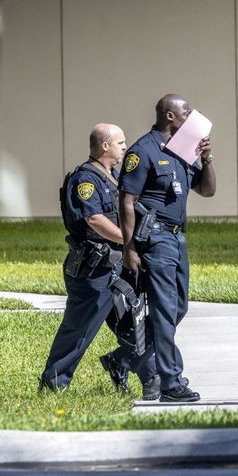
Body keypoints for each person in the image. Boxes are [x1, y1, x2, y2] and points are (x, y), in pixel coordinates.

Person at [40, 124, 157, 397]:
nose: (125, 148)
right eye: (120, 143)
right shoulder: (86, 180)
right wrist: (129, 241)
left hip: (115, 266)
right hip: (93, 269)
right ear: (105, 146)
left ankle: (153, 380)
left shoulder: (111, 178)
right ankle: (53, 383)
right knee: (80, 328)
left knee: (133, 324)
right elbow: (93, 220)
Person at [120, 95, 215, 403]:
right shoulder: (142, 151)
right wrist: (129, 246)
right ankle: (171, 383)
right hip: (155, 237)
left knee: (178, 307)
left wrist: (207, 159)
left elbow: (207, 190)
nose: (193, 116)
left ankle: (125, 357)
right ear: (171, 116)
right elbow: (127, 201)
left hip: (177, 238)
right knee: (163, 310)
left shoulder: (184, 151)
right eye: (187, 112)